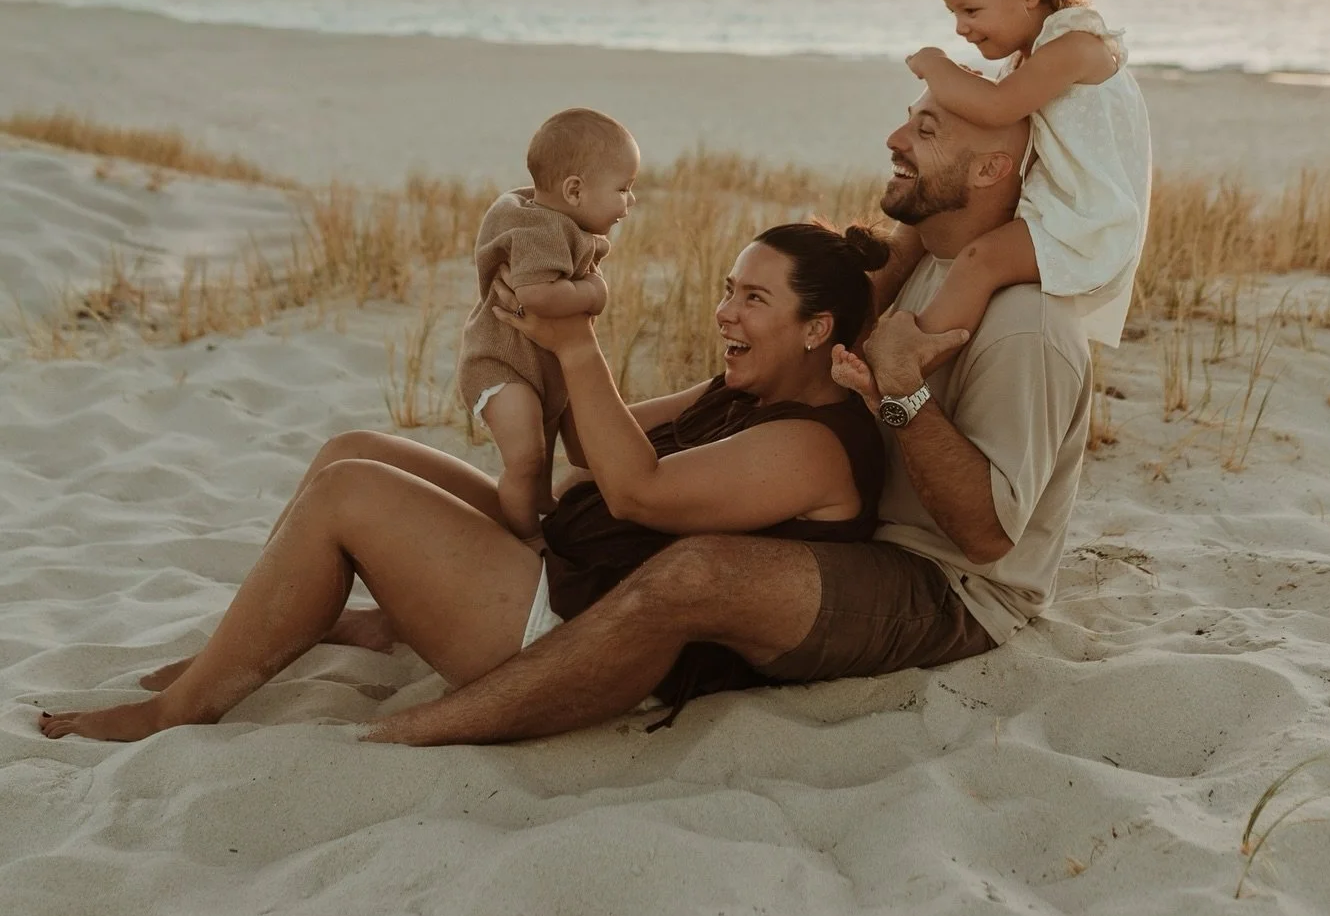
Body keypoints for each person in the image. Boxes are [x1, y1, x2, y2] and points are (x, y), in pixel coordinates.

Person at [352, 91, 1097, 747]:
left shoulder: (1025, 327)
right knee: (363, 457)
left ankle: (445, 723)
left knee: (696, 570)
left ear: (991, 169)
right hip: (868, 529)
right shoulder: (928, 259)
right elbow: (824, 293)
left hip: (950, 585)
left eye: (925, 130)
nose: (896, 139)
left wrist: (899, 392)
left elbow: (988, 537)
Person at [37, 222, 903, 743]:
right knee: (351, 448)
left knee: (352, 498)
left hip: (569, 632)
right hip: (552, 563)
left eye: (753, 300)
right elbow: (587, 440)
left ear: (818, 327)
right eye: (727, 290)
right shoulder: (741, 386)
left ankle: (181, 711)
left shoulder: (817, 447)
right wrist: (528, 332)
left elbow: (637, 491)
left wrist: (578, 344)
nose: (725, 313)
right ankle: (309, 630)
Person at [895, 0, 1151, 349]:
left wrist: (935, 66)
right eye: (953, 12)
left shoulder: (1075, 45)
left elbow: (997, 109)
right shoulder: (1030, 57)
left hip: (1084, 220)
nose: (961, 27)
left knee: (980, 261)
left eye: (971, 9)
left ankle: (917, 354)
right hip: (1053, 205)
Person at [456, 107, 639, 543]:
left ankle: (539, 504)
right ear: (574, 190)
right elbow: (536, 297)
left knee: (545, 449)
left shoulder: (562, 222)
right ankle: (525, 540)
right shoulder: (540, 228)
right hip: (502, 367)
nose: (629, 202)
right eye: (623, 189)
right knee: (527, 457)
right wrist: (595, 293)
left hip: (539, 367)